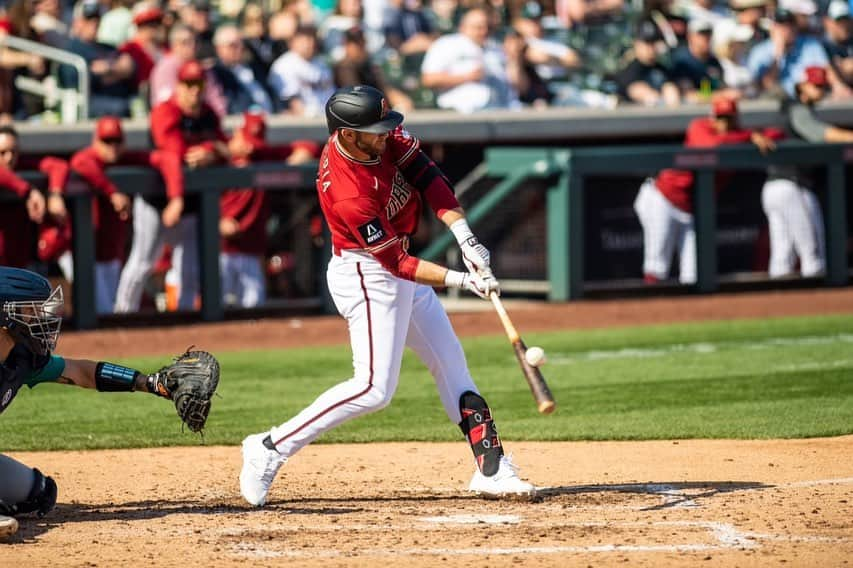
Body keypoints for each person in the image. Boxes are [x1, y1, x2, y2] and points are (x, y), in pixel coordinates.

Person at [239, 85, 535, 507]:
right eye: (374, 130)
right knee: (374, 388)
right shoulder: (348, 192)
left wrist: (465, 238)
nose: (386, 135)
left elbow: (429, 178)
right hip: (367, 273)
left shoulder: (380, 138)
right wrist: (463, 281)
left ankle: (493, 468)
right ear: (346, 133)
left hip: (398, 265)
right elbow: (395, 264)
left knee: (450, 362)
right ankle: (269, 447)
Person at [0, 266, 218, 539]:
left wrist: (151, 383)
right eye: (29, 310)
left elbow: (81, 372)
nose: (40, 318)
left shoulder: (19, 358)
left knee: (40, 494)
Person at [114, 60, 232, 313]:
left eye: (198, 84)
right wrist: (208, 149)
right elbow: (173, 152)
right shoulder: (165, 111)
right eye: (189, 84)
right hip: (156, 200)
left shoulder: (208, 114)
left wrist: (211, 151)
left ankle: (186, 317)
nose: (194, 90)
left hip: (190, 202)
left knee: (189, 268)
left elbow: (227, 147)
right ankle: (122, 314)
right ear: (179, 85)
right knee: (143, 263)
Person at [634, 95, 776, 284]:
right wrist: (749, 136)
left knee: (694, 271)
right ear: (712, 116)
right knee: (657, 264)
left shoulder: (740, 135)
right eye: (720, 117)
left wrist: (758, 135)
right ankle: (648, 309)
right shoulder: (699, 126)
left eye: (728, 118)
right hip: (662, 198)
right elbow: (711, 146)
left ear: (737, 118)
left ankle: (691, 313)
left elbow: (776, 134)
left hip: (691, 207)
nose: (724, 123)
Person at [70, 116, 182, 314]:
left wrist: (175, 197)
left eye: (116, 141)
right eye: (106, 141)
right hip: (81, 254)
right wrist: (112, 191)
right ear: (96, 141)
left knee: (111, 313)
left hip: (110, 254)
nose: (112, 147)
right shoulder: (90, 158)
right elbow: (79, 162)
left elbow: (167, 159)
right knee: (100, 312)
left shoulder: (125, 158)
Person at [220, 111, 318, 308]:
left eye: (253, 143)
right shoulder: (217, 156)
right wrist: (217, 220)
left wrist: (301, 154)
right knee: (216, 307)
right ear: (236, 133)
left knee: (254, 309)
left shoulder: (260, 155)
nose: (248, 148)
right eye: (245, 140)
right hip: (221, 250)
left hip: (252, 250)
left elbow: (309, 146)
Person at [762, 66, 853, 278]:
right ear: (802, 86)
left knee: (783, 254)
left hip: (779, 185)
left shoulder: (796, 109)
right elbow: (821, 134)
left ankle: (778, 305)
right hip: (789, 186)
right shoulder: (796, 108)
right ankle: (820, 301)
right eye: (816, 86)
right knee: (812, 251)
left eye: (822, 86)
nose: (820, 90)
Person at [420, 7, 520, 113]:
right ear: (463, 27)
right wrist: (467, 77)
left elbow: (518, 87)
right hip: (459, 113)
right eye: (478, 27)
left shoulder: (495, 48)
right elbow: (429, 79)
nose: (484, 31)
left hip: (501, 110)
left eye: (488, 27)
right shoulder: (447, 44)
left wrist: (514, 60)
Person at [0, 125, 67, 268]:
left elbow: (59, 166)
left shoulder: (20, 167)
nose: (9, 157)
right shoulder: (14, 178)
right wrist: (29, 191)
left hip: (21, 264)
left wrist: (55, 194)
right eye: (2, 152)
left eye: (13, 152)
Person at [747, 6, 828, 97]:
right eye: (781, 26)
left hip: (807, 96)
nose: (786, 30)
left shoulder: (810, 45)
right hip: (773, 102)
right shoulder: (760, 51)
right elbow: (765, 85)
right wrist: (779, 54)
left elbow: (822, 73)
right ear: (773, 28)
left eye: (789, 26)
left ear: (795, 27)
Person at [267, 25, 336, 117]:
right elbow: (291, 102)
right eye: (305, 40)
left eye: (312, 39)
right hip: (302, 121)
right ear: (293, 42)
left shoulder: (321, 63)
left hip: (327, 117)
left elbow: (332, 94)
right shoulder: (283, 65)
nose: (310, 44)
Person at [210, 24, 275, 115]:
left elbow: (272, 93)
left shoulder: (256, 68)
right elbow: (232, 105)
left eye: (242, 44)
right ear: (219, 49)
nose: (240, 48)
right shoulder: (216, 74)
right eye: (233, 45)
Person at [614, 19, 680, 107]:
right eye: (646, 43)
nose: (651, 48)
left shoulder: (662, 69)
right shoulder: (628, 70)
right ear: (636, 43)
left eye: (653, 42)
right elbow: (636, 91)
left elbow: (672, 92)